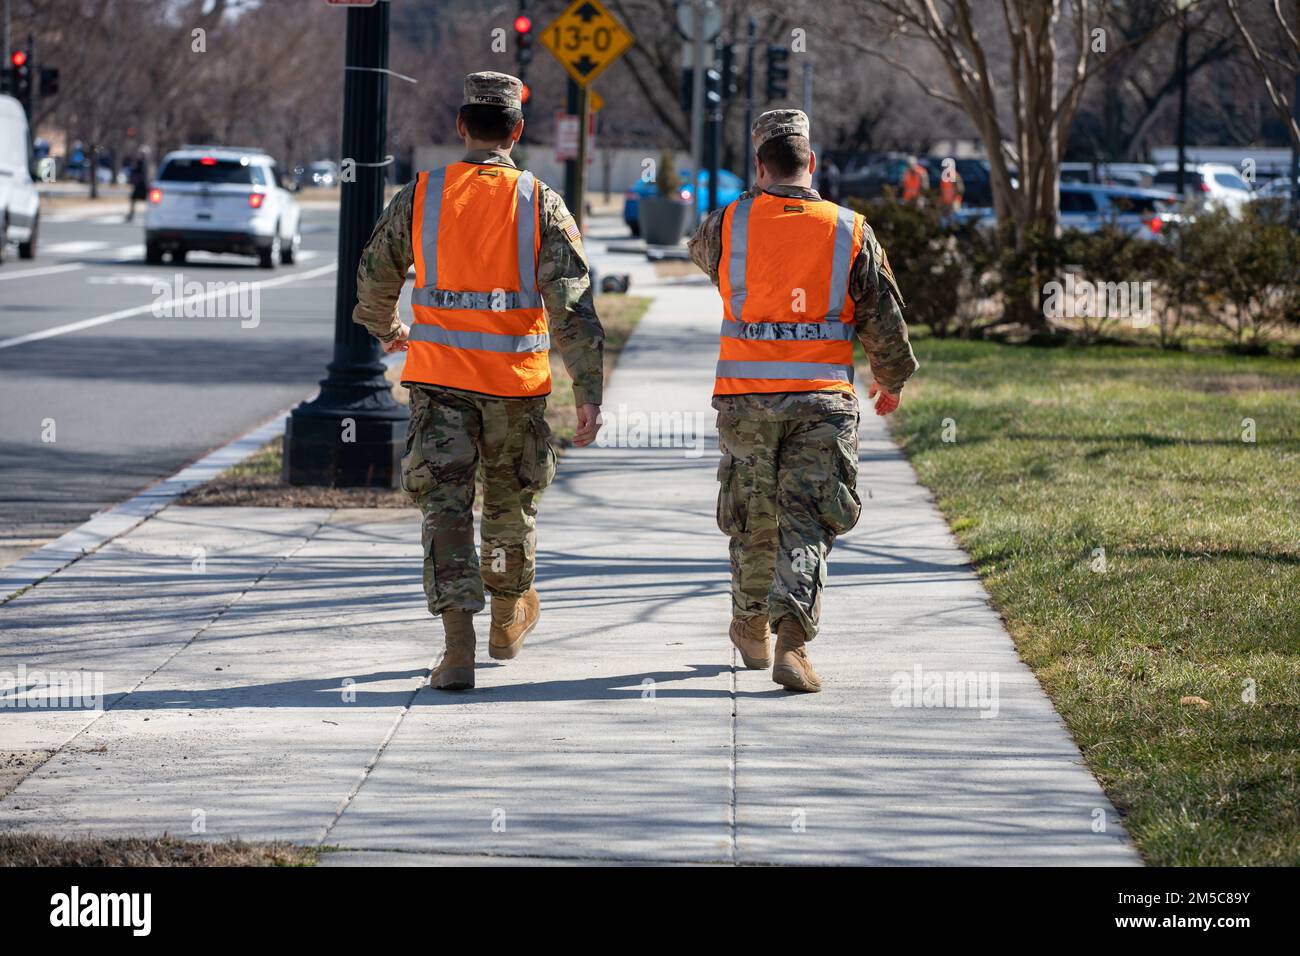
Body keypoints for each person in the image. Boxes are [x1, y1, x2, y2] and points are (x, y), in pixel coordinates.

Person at [352, 71, 605, 691]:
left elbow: (374, 274)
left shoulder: (423, 194)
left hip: (439, 385)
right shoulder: (539, 201)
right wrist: (588, 393)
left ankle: (457, 646)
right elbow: (573, 307)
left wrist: (387, 329)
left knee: (445, 509)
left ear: (462, 127)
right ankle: (505, 617)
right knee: (508, 506)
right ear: (516, 132)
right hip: (515, 388)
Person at [688, 109, 918, 693]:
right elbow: (882, 318)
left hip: (747, 402)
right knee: (808, 520)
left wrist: (751, 203)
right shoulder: (849, 230)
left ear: (760, 165)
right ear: (811, 162)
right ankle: (792, 643)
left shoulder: (728, 224)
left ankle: (748, 623)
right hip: (822, 401)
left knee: (752, 517)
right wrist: (889, 380)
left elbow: (702, 255)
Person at [125, 148, 150, 223]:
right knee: (134, 199)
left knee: (134, 199)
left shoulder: (141, 162)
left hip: (141, 185)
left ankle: (131, 214)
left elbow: (139, 173)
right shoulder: (143, 162)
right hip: (142, 184)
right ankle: (131, 214)